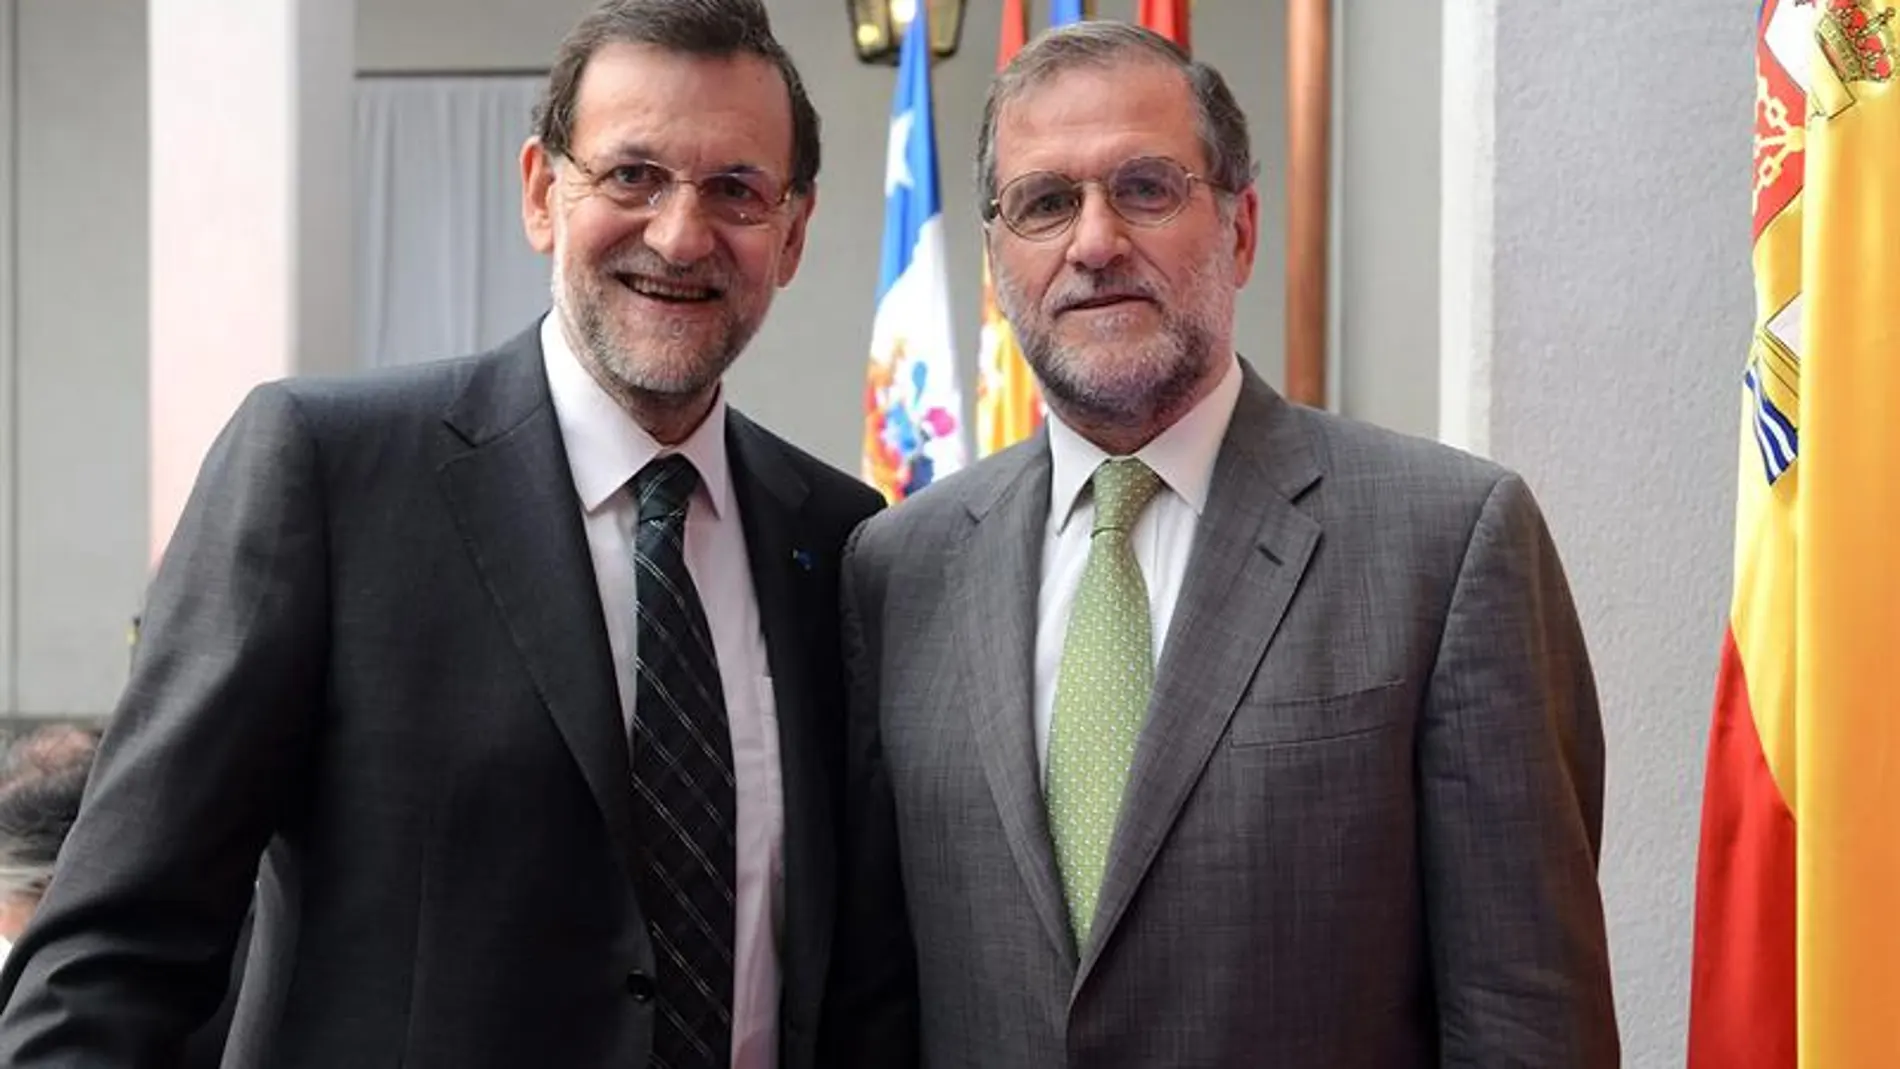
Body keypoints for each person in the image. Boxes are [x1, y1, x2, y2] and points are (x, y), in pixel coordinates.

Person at [0, 2, 880, 1066]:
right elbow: (113, 949)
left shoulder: (836, 539)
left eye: (736, 189)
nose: (680, 234)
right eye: (631, 175)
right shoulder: (327, 472)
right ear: (541, 192)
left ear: (791, 234)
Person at [822, 21, 1618, 1068]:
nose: (1094, 241)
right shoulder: (898, 568)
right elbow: (878, 1003)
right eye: (1045, 202)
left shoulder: (1449, 541)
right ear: (997, 258)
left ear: (1241, 229)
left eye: (1145, 188)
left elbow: (1526, 1019)